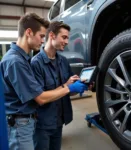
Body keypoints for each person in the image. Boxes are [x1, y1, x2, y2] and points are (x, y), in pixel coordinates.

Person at [0, 13, 88, 150]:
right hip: (23, 123)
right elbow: (40, 98)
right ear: (29, 32)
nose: (42, 40)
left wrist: (76, 86)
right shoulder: (17, 62)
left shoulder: (24, 59)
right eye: (41, 36)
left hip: (40, 121)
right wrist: (68, 87)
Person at [31, 21, 84, 150]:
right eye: (64, 37)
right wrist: (68, 87)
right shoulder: (36, 63)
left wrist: (79, 86)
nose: (67, 42)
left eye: (68, 38)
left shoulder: (63, 61)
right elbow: (41, 99)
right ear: (52, 36)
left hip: (59, 122)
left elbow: (69, 91)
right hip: (42, 125)